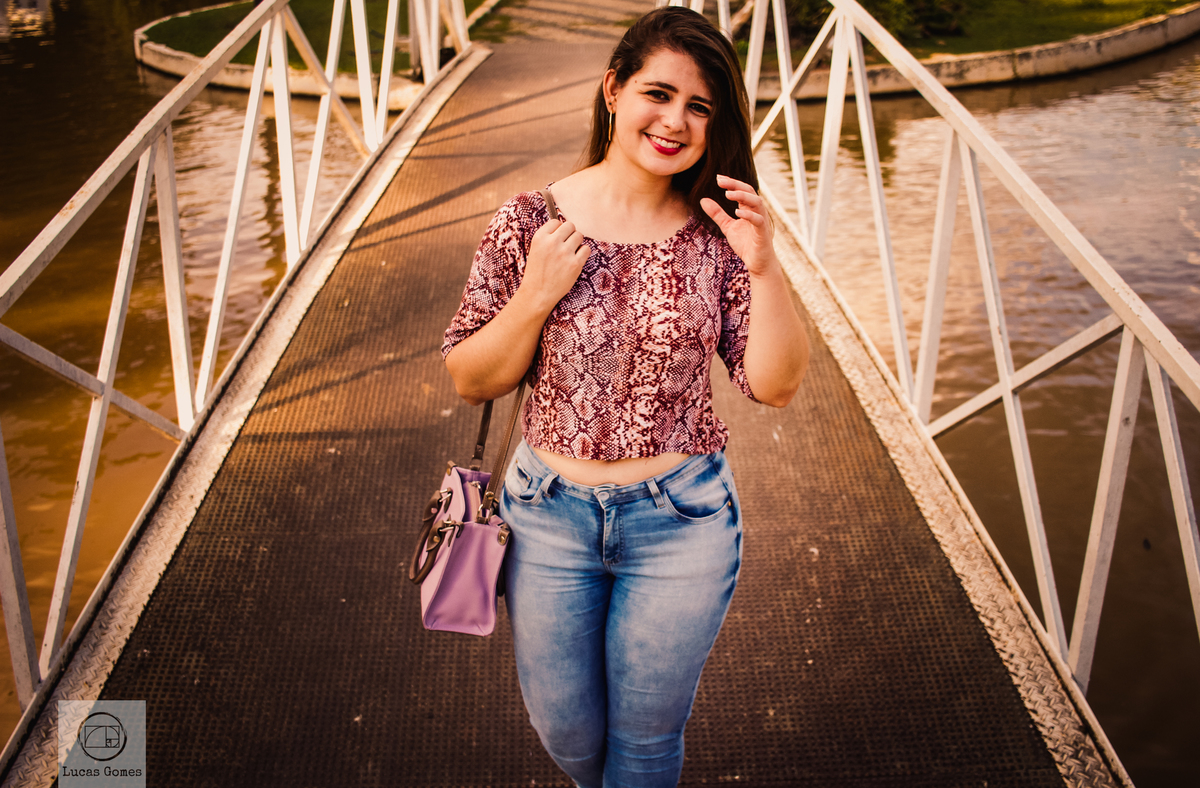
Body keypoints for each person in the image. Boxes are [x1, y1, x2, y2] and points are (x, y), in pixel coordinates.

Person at [441, 7, 809, 786]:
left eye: (701, 107)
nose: (676, 120)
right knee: (566, 733)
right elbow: (471, 377)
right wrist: (537, 294)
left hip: (682, 521)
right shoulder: (529, 220)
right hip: (546, 517)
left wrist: (768, 268)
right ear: (613, 89)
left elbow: (774, 385)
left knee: (644, 748)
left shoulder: (719, 234)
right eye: (659, 93)